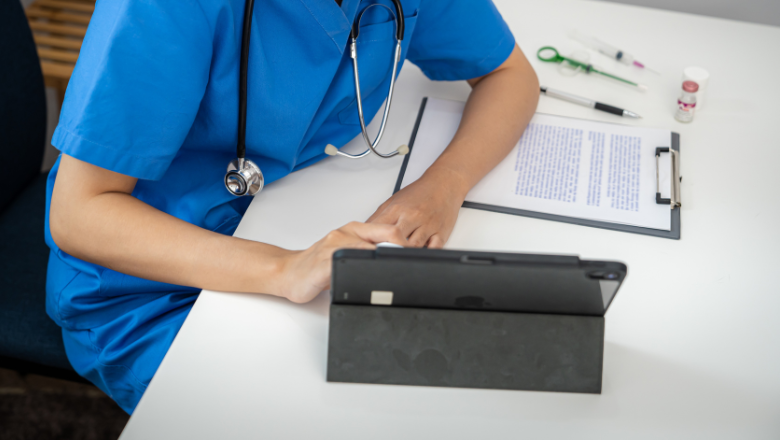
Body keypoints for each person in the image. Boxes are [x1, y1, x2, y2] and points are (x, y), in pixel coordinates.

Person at [46, 0, 539, 413]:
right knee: (342, 414)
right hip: (149, 285)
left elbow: (509, 74)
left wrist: (442, 187)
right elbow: (79, 212)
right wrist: (286, 267)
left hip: (294, 218)